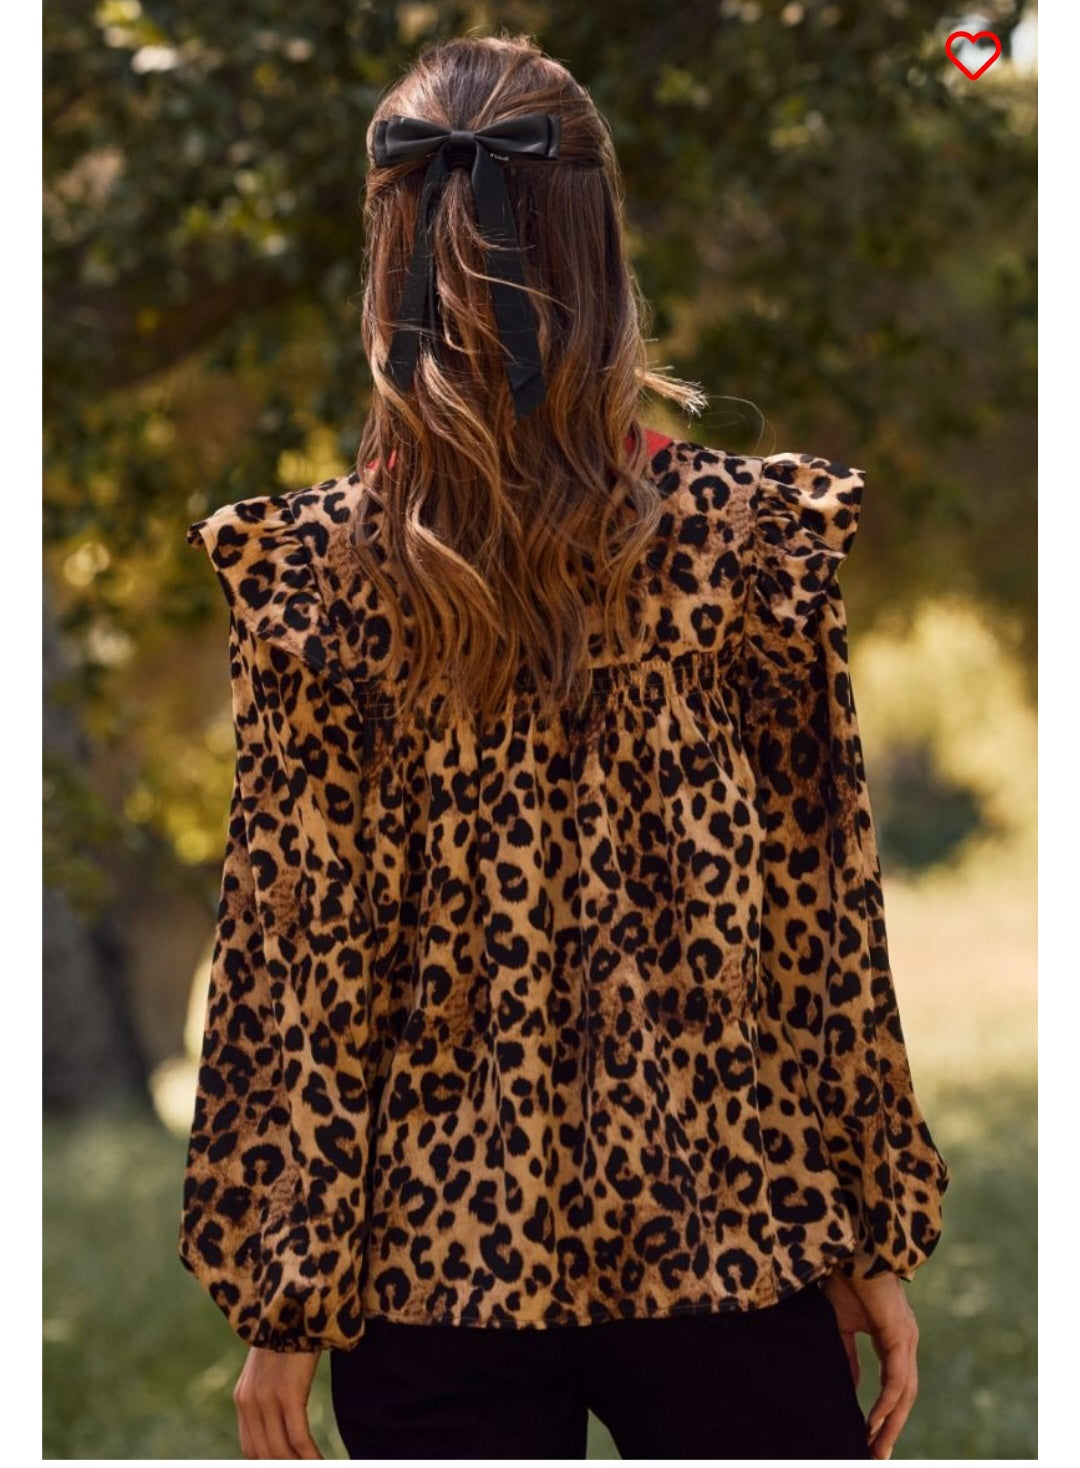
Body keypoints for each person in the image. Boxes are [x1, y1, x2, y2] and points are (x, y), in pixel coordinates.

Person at [177, 30, 951, 1462]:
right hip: (726, 1235)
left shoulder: (317, 582)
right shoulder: (745, 547)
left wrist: (288, 1299)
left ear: (388, 255)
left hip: (426, 1271)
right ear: (598, 249)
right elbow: (821, 926)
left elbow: (305, 964)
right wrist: (866, 1227)